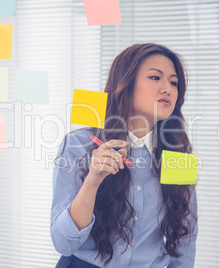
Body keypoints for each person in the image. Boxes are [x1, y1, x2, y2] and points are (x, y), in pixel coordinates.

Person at [51, 43, 198, 268]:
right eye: (155, 78)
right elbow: (63, 243)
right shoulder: (79, 145)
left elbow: (184, 242)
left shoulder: (177, 155)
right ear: (125, 83)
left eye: (174, 82)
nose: (167, 88)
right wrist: (93, 181)